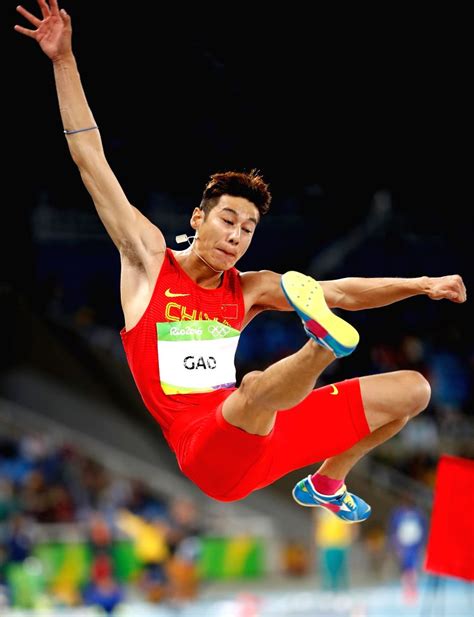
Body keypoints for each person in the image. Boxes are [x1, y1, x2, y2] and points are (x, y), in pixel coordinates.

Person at [15, 1, 467, 524]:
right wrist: (63, 60)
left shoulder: (249, 288)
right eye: (227, 220)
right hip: (209, 450)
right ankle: (322, 346)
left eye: (248, 229)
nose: (235, 236)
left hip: (268, 434)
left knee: (414, 390)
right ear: (197, 218)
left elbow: (341, 291)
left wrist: (422, 283)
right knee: (254, 390)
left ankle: (327, 480)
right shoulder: (147, 261)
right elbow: (90, 159)